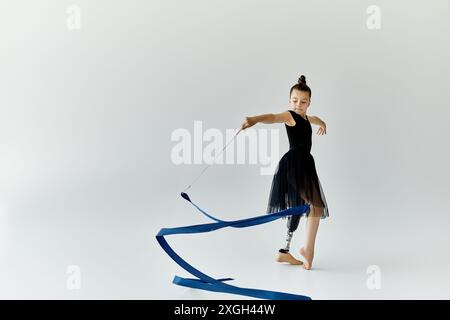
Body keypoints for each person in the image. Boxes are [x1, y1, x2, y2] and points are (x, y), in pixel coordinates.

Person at [240, 75, 329, 270]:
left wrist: (323, 123)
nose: (299, 105)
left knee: (303, 207)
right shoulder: (290, 116)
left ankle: (284, 252)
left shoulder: (307, 118)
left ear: (309, 103)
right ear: (290, 101)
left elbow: (316, 119)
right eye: (295, 101)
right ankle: (308, 251)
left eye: (303, 102)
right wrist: (254, 119)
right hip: (294, 165)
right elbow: (273, 117)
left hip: (305, 165)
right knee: (316, 206)